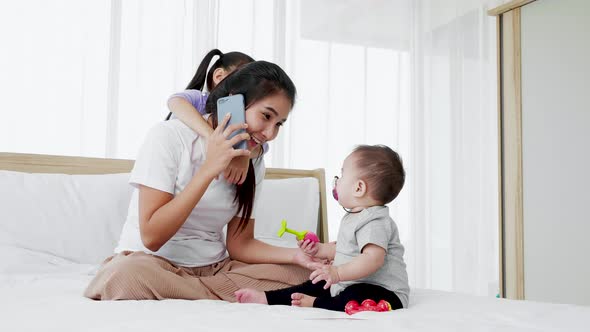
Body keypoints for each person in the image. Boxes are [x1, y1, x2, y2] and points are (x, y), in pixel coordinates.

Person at [84, 61, 315, 301]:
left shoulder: (252, 158)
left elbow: (240, 245)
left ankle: (193, 291)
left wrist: (295, 256)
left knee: (305, 273)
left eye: (278, 124)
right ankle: (211, 293)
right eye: (266, 116)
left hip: (214, 270)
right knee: (122, 275)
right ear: (234, 101)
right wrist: (209, 169)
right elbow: (152, 237)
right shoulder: (169, 137)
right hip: (150, 265)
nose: (270, 133)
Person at [235, 145, 410, 312]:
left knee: (352, 294)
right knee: (315, 282)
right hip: (350, 283)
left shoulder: (375, 221)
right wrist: (318, 250)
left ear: (358, 188)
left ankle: (317, 304)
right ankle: (268, 298)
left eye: (341, 175)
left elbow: (373, 259)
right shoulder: (353, 217)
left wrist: (338, 273)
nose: (337, 181)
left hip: (384, 293)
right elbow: (344, 250)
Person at [167, 49, 266, 185]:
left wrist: (243, 153)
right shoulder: (200, 99)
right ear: (219, 76)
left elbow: (263, 147)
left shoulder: (239, 117)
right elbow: (175, 102)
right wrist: (214, 138)